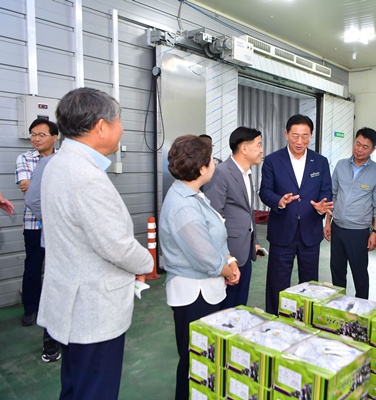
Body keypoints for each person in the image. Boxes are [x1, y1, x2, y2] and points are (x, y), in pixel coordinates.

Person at [37, 87, 154, 399]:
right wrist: (146, 262)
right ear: (102, 126)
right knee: (94, 390)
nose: (122, 128)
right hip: (92, 310)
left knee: (76, 387)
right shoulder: (86, 177)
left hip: (71, 301)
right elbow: (116, 245)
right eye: (119, 121)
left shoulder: (58, 163)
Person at [160, 134, 240, 400]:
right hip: (194, 293)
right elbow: (205, 257)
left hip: (206, 288)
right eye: (211, 159)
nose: (215, 163)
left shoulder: (193, 194)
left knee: (204, 358)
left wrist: (229, 259)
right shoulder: (183, 206)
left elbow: (213, 236)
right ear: (202, 168)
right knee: (194, 360)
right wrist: (228, 271)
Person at [259, 114, 333, 314]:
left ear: (311, 136)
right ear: (286, 134)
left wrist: (322, 206)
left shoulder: (320, 162)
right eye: (295, 136)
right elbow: (265, 191)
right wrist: (279, 201)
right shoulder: (273, 160)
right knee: (277, 281)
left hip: (310, 231)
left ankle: (306, 320)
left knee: (310, 284)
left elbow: (326, 190)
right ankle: (275, 318)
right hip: (282, 230)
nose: (300, 141)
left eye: (305, 136)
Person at [204, 127, 263, 308]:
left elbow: (247, 211)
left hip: (245, 250)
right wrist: (226, 257)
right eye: (258, 145)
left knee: (240, 306)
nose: (261, 150)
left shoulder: (246, 173)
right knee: (226, 308)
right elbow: (214, 216)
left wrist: (254, 241)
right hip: (228, 252)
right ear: (244, 148)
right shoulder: (221, 172)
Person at [324, 127, 376, 299]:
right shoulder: (341, 165)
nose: (359, 149)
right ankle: (337, 305)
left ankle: (361, 307)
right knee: (337, 272)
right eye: (357, 144)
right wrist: (328, 222)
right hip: (338, 228)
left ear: (373, 149)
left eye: (365, 147)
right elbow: (333, 195)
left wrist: (375, 232)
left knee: (359, 274)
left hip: (359, 232)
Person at [15, 118, 58, 326]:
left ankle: (54, 308)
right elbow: (27, 189)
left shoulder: (63, 158)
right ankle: (31, 308)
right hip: (33, 223)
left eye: (41, 135)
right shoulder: (24, 158)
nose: (36, 139)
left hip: (59, 225)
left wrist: (36, 183)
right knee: (33, 265)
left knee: (57, 267)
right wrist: (51, 184)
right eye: (33, 134)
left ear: (55, 137)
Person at [24, 153, 61, 363]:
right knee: (56, 288)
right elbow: (32, 199)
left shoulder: (95, 163)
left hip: (81, 244)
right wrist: (55, 221)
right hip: (59, 241)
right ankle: (51, 341)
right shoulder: (49, 163)